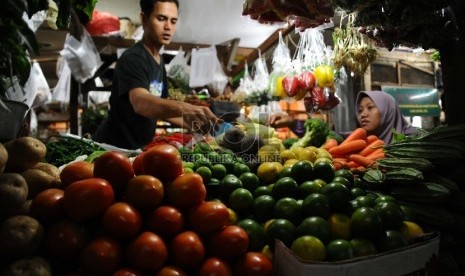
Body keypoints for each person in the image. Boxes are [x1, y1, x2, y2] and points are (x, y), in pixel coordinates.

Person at [93, 0, 221, 149]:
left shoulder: (159, 62)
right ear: (144, 19)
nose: (168, 27)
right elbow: (141, 103)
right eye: (161, 19)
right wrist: (184, 107)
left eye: (173, 21)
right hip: (113, 148)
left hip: (137, 147)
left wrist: (192, 124)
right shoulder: (134, 58)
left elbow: (162, 110)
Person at [268, 90, 417, 144]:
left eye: (370, 108)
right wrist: (292, 123)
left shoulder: (415, 139)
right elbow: (324, 136)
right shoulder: (356, 140)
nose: (363, 114)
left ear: (388, 111)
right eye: (360, 110)